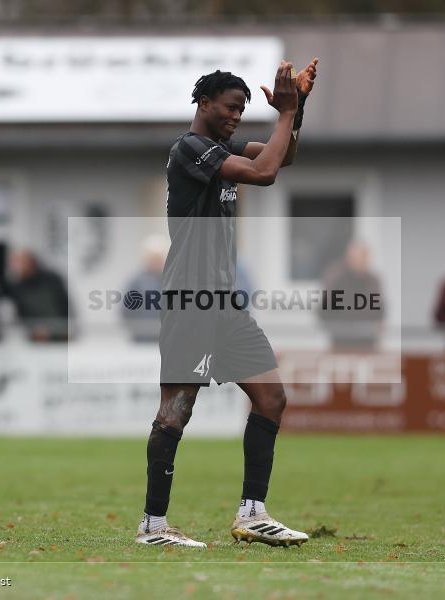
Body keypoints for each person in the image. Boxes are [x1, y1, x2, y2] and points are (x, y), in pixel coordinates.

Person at [135, 59, 319, 548]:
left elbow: (283, 159)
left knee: (271, 398)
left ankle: (252, 514)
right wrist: (282, 114)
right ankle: (153, 526)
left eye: (242, 108)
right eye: (231, 107)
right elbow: (263, 172)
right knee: (177, 409)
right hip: (189, 300)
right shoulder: (190, 149)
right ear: (203, 104)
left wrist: (293, 112)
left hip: (224, 303)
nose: (238, 115)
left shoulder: (222, 148)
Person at [318, 240, 385, 350]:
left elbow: (379, 311)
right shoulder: (336, 279)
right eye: (357, 258)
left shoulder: (373, 281)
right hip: (341, 341)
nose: (361, 262)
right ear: (349, 258)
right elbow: (324, 310)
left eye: (364, 258)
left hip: (367, 342)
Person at [8, 249, 73, 343]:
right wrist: (33, 329)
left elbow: (64, 304)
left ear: (32, 262)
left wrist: (65, 327)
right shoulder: (16, 287)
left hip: (60, 333)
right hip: (37, 338)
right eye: (16, 263)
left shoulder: (52, 279)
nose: (19, 267)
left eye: (23, 262)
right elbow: (21, 314)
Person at [121, 235, 167, 343]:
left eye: (159, 258)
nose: (156, 262)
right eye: (153, 259)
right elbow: (126, 311)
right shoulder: (136, 283)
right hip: (142, 341)